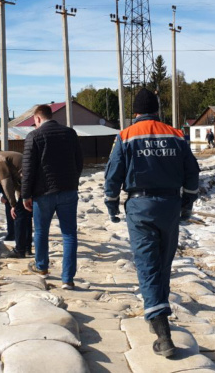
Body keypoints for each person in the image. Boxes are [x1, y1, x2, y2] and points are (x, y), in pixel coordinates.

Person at [104, 88, 200, 358]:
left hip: (140, 207)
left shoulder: (125, 136)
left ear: (135, 111)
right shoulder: (176, 134)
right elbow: (192, 173)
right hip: (169, 206)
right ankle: (157, 312)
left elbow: (114, 174)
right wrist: (187, 204)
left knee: (147, 264)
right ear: (156, 109)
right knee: (163, 261)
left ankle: (162, 333)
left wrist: (111, 203)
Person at [21, 104, 83, 290]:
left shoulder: (34, 136)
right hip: (68, 191)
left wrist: (26, 195)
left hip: (43, 193)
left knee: (41, 232)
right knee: (69, 234)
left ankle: (42, 268)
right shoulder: (70, 133)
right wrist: (73, 181)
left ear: (37, 119)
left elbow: (28, 168)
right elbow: (79, 161)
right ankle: (67, 279)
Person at [0, 144, 32, 258]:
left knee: (19, 216)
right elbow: (18, 182)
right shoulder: (6, 155)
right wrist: (19, 199)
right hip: (32, 184)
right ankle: (27, 248)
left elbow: (6, 183)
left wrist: (13, 204)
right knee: (26, 216)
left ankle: (20, 250)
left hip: (30, 185)